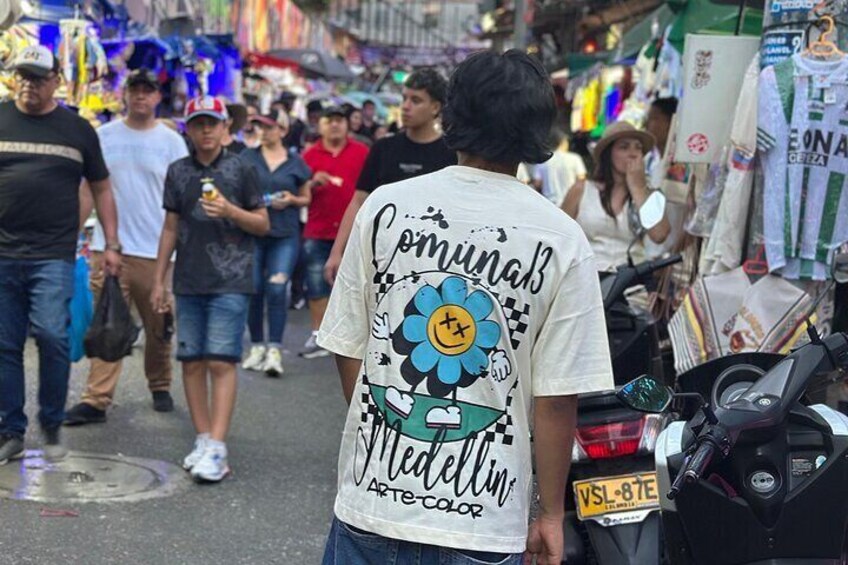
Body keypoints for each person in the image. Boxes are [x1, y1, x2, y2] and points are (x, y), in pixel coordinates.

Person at [317, 50, 614, 565]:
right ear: (538, 129)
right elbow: (556, 398)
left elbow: (348, 345)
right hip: (484, 523)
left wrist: (381, 429)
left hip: (374, 505)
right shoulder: (561, 239)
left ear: (451, 116)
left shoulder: (386, 207)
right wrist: (549, 512)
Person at [0, 45, 120, 463]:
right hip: (2, 253)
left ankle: (50, 422)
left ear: (56, 81)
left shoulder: (77, 129)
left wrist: (112, 243)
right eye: (23, 76)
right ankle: (10, 430)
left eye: (38, 78)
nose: (29, 85)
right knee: (5, 344)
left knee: (52, 336)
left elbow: (101, 187)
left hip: (53, 253)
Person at [151, 96, 269, 482]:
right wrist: (159, 280)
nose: (205, 130)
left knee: (221, 360)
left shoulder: (242, 168)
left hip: (231, 278)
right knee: (191, 360)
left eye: (212, 123)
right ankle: (203, 438)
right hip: (188, 278)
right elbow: (170, 227)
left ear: (224, 127)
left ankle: (218, 445)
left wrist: (230, 211)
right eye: (198, 123)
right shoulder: (178, 171)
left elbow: (263, 223)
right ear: (187, 128)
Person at [65, 68, 189, 426]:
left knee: (158, 324)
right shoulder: (103, 136)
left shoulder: (171, 142)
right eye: (135, 89)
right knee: (108, 323)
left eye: (148, 90)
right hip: (110, 248)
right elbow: (88, 190)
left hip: (157, 252)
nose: (140, 95)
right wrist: (72, 235)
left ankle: (160, 383)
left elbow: (182, 198)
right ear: (125, 94)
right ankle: (96, 399)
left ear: (157, 97)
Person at [324, 68, 457, 285]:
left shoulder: (450, 154)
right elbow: (358, 201)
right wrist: (337, 252)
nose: (405, 106)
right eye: (404, 98)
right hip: (382, 257)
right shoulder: (383, 148)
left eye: (416, 100)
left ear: (435, 107)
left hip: (432, 263)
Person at [239, 109, 312, 376]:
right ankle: (257, 345)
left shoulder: (295, 162)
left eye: (270, 127)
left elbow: (306, 197)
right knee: (254, 288)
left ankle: (275, 349)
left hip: (285, 233)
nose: (264, 132)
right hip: (253, 232)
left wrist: (291, 200)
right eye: (261, 127)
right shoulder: (247, 157)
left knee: (277, 288)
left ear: (282, 130)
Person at [300, 106, 369, 359]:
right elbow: (298, 191)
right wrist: (311, 183)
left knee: (354, 285)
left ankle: (351, 336)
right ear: (320, 125)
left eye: (340, 120)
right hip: (318, 228)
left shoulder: (362, 152)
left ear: (347, 124)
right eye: (329, 121)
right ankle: (318, 333)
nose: (335, 125)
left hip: (354, 228)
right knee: (316, 282)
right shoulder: (309, 155)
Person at [562, 121, 671, 272]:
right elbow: (560, 236)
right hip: (587, 277)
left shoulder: (648, 194)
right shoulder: (582, 189)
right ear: (608, 154)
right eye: (624, 147)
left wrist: (638, 188)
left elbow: (659, 235)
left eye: (638, 148)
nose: (633, 154)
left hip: (631, 280)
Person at [532, 128, 587, 207]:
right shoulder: (574, 158)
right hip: (570, 205)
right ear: (563, 142)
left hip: (549, 205)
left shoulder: (543, 160)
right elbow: (581, 181)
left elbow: (537, 184)